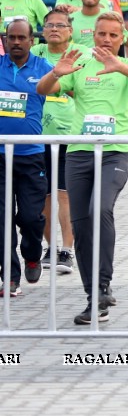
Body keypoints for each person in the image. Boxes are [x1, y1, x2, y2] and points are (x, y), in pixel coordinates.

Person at [36, 12, 128, 325]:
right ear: (94, 34)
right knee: (81, 223)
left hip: (114, 152)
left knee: (101, 209)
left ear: (122, 38)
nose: (106, 39)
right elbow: (43, 90)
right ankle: (94, 297)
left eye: (113, 35)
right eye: (102, 34)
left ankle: (104, 281)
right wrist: (56, 73)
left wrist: (120, 65)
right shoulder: (80, 60)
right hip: (79, 153)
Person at [0, 19, 52, 296]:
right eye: (12, 37)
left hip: (31, 156)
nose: (16, 42)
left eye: (22, 37)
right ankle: (9, 275)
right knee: (1, 219)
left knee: (31, 217)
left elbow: (64, 88)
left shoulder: (44, 69)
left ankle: (32, 253)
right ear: (5, 39)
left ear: (33, 41)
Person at [32, 8, 79, 275]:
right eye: (49, 25)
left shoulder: (78, 54)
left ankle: (67, 250)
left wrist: (59, 78)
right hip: (37, 134)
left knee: (64, 194)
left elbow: (80, 87)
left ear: (70, 30)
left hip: (69, 132)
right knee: (43, 196)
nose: (54, 29)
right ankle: (50, 247)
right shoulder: (35, 53)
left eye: (60, 25)